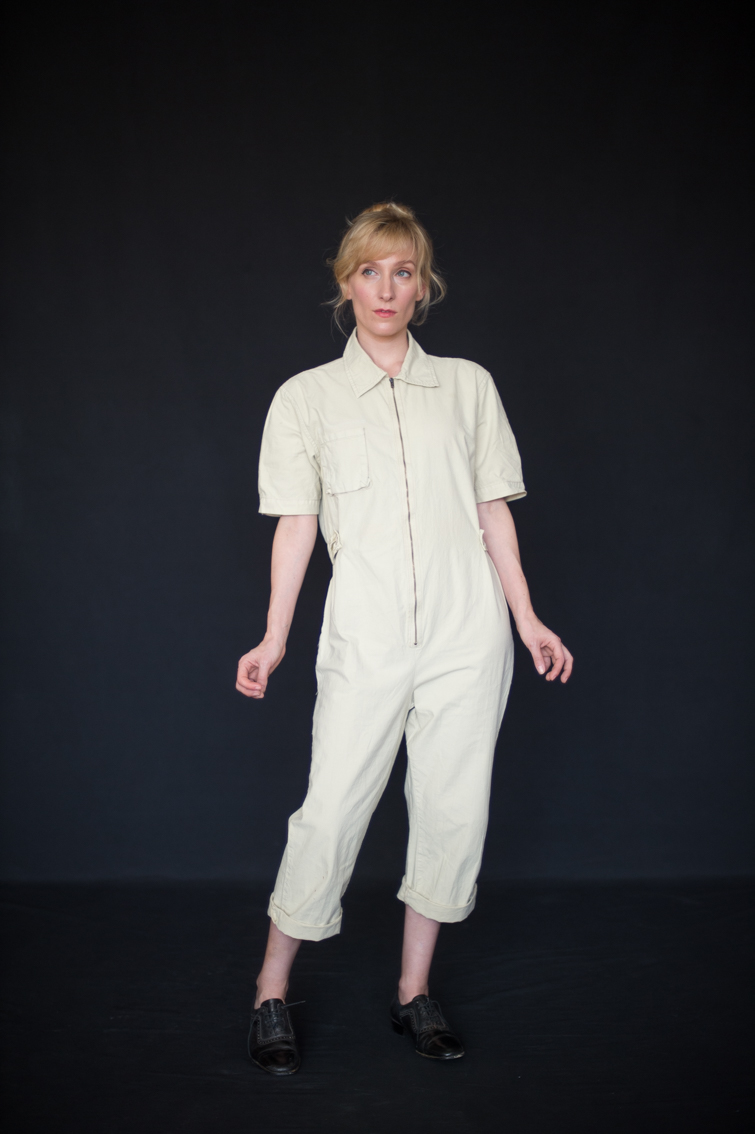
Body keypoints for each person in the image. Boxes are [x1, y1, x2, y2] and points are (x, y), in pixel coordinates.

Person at [236, 202, 573, 1075]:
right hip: (367, 634)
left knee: (453, 810)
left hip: (468, 632)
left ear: (423, 286)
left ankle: (412, 992)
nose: (385, 289)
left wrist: (526, 618)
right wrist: (273, 637)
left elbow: (492, 511)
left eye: (402, 271)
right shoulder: (305, 398)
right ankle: (270, 991)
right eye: (368, 271)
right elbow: (295, 527)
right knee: (329, 811)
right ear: (344, 284)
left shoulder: (467, 385)